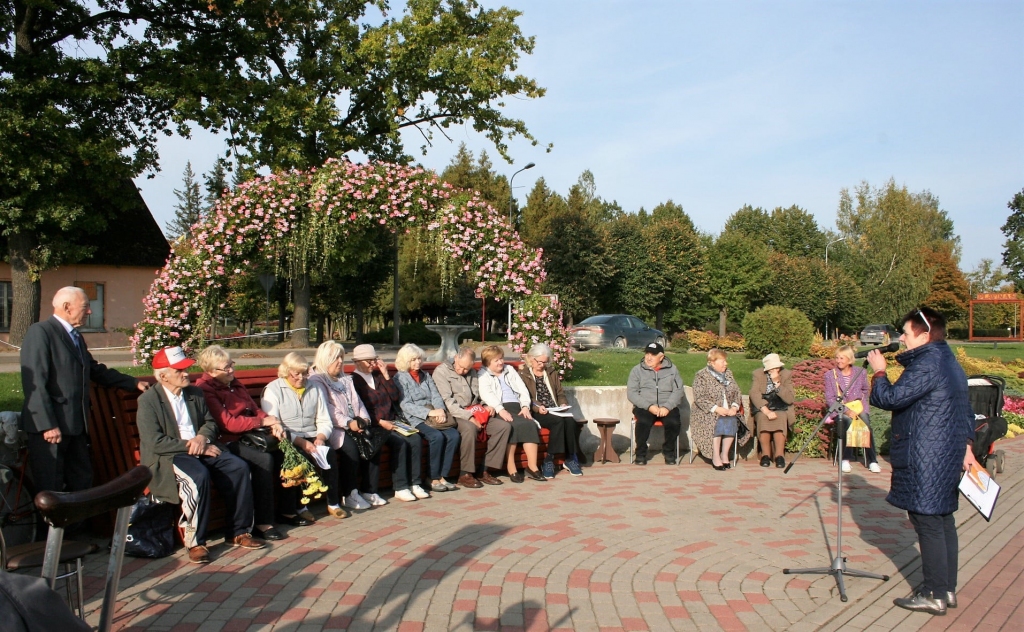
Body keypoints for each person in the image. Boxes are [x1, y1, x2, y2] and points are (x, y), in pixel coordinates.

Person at [868, 307, 978, 616]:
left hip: (927, 455)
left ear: (925, 335)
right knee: (942, 520)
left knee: (928, 522)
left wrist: (879, 371)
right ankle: (946, 589)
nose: (900, 338)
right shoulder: (948, 361)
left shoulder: (928, 363)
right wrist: (966, 446)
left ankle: (933, 593)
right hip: (944, 453)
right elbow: (964, 409)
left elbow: (889, 398)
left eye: (906, 333)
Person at [136, 347, 265, 564]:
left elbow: (210, 423)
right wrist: (191, 445)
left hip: (202, 446)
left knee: (238, 467)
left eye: (186, 369)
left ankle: (238, 531)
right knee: (198, 477)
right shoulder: (148, 401)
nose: (186, 374)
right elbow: (155, 442)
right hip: (171, 454)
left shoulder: (194, 393)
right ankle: (195, 542)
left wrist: (202, 439)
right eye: (180, 370)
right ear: (163, 375)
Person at [20, 286, 148, 495]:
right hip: (51, 429)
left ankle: (76, 528)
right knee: (51, 487)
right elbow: (34, 382)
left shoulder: (76, 336)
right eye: (86, 306)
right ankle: (51, 529)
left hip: (76, 425)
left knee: (82, 480)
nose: (89, 312)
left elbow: (94, 370)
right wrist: (47, 425)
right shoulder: (41, 332)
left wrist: (131, 383)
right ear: (67, 307)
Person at [196, 345, 287, 541]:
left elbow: (255, 409)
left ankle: (289, 509)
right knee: (263, 460)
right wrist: (261, 422)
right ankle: (263, 521)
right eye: (225, 368)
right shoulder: (206, 390)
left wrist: (273, 422)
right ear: (211, 372)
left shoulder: (235, 384)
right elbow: (227, 424)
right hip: (228, 440)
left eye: (231, 365)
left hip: (250, 435)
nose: (231, 370)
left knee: (284, 451)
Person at [261, 353, 342, 524]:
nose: (301, 377)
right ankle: (300, 507)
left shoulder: (315, 388)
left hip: (312, 433)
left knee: (329, 455)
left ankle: (333, 503)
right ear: (286, 372)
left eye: (304, 373)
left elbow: (324, 419)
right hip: (287, 438)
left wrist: (321, 437)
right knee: (299, 459)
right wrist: (301, 442)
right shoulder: (273, 389)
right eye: (296, 374)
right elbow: (275, 425)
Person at [350, 344, 430, 503]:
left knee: (414, 439)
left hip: (393, 420)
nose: (373, 364)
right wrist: (380, 422)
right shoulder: (354, 380)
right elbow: (360, 407)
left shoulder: (378, 376)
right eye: (369, 361)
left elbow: (394, 397)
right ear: (358, 362)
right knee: (399, 442)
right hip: (375, 424)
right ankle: (400, 487)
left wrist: (386, 374)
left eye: (374, 360)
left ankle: (414, 483)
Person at [307, 341, 374, 511]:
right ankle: (350, 493)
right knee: (350, 449)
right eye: (335, 358)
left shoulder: (345, 379)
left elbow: (358, 403)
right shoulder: (317, 379)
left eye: (341, 357)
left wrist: (363, 420)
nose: (339, 361)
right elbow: (326, 408)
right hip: (333, 427)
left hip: (353, 425)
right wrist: (347, 423)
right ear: (324, 359)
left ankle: (368, 489)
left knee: (374, 441)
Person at [433, 346, 510, 487]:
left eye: (466, 369)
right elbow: (447, 402)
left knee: (503, 427)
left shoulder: (472, 372)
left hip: (475, 410)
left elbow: (478, 395)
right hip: (454, 413)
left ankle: (485, 469)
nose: (463, 371)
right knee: (469, 428)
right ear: (456, 358)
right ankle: (465, 473)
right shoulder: (441, 372)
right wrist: (469, 417)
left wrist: (486, 405)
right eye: (461, 367)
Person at [394, 344, 461, 493]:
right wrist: (428, 413)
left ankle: (443, 475)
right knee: (436, 436)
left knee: (454, 435)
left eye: (419, 359)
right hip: (414, 417)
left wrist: (440, 411)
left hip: (434, 413)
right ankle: (432, 477)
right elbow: (405, 404)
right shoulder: (400, 378)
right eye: (413, 360)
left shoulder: (425, 375)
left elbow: (436, 395)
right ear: (405, 361)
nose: (417, 362)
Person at [477, 345, 546, 483]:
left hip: (518, 406)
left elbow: (522, 389)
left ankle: (532, 467)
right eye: (496, 360)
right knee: (512, 426)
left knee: (529, 424)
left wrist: (526, 406)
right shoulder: (483, 374)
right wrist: (500, 409)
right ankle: (511, 467)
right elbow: (486, 394)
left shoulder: (509, 370)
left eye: (501, 359)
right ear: (487, 362)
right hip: (500, 409)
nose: (501, 362)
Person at [518, 343, 584, 477]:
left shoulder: (551, 372)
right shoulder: (523, 374)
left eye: (545, 362)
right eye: (540, 362)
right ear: (531, 358)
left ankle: (570, 458)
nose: (542, 365)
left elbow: (560, 393)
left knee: (570, 421)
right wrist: (537, 407)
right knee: (558, 422)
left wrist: (563, 404)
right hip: (537, 410)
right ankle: (549, 459)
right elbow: (525, 396)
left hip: (555, 409)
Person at [626, 342, 687, 466]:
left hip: (667, 405)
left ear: (661, 357)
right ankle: (641, 453)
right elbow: (632, 393)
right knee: (643, 421)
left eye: (653, 355)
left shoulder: (672, 369)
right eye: (647, 354)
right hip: (645, 406)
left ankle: (669, 452)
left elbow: (678, 390)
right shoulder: (637, 370)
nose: (648, 357)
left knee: (674, 422)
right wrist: (649, 406)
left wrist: (667, 406)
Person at [824, 345, 881, 474]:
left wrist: (859, 406)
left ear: (849, 359)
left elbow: (865, 391)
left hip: (858, 407)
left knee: (865, 424)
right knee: (848, 423)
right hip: (840, 410)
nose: (838, 361)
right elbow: (830, 398)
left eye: (842, 358)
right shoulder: (830, 375)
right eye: (837, 358)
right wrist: (845, 410)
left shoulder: (861, 372)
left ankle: (872, 461)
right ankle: (845, 459)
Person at [691, 348, 748, 470]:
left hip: (728, 410)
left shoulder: (728, 374)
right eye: (722, 361)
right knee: (716, 422)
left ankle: (724, 454)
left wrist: (734, 406)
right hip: (707, 412)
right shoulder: (701, 376)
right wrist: (717, 409)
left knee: (732, 421)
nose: (725, 364)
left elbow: (737, 392)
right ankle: (715, 456)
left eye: (725, 361)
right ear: (712, 362)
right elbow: (699, 398)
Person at [749, 353, 795, 469]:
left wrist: (777, 383)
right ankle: (765, 455)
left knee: (781, 418)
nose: (776, 370)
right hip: (764, 407)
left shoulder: (786, 374)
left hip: (781, 406)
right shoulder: (758, 374)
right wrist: (766, 410)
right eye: (773, 368)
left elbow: (789, 398)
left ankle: (779, 455)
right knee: (763, 418)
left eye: (777, 367)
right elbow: (754, 394)